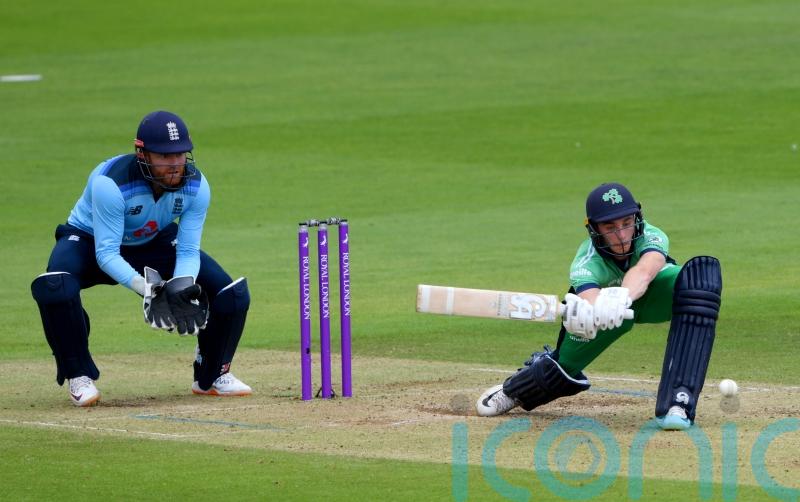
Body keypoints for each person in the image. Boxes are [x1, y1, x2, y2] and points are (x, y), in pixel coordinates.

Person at [31, 110, 252, 407]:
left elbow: (187, 250)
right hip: (90, 239)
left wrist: (181, 286)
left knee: (230, 293)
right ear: (142, 154)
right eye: (164, 155)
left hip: (151, 239)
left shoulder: (197, 186)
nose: (174, 163)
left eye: (180, 154)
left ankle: (211, 375)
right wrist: (148, 288)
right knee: (55, 286)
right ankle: (79, 376)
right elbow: (107, 253)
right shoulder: (110, 183)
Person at [476, 183, 722, 430]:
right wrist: (592, 311)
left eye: (627, 222)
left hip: (653, 297)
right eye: (610, 227)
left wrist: (622, 297)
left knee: (700, 278)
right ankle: (518, 388)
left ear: (637, 217)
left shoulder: (652, 235)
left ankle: (677, 403)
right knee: (562, 369)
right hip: (608, 317)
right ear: (594, 229)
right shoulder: (586, 260)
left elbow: (646, 270)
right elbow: (589, 294)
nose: (622, 234)